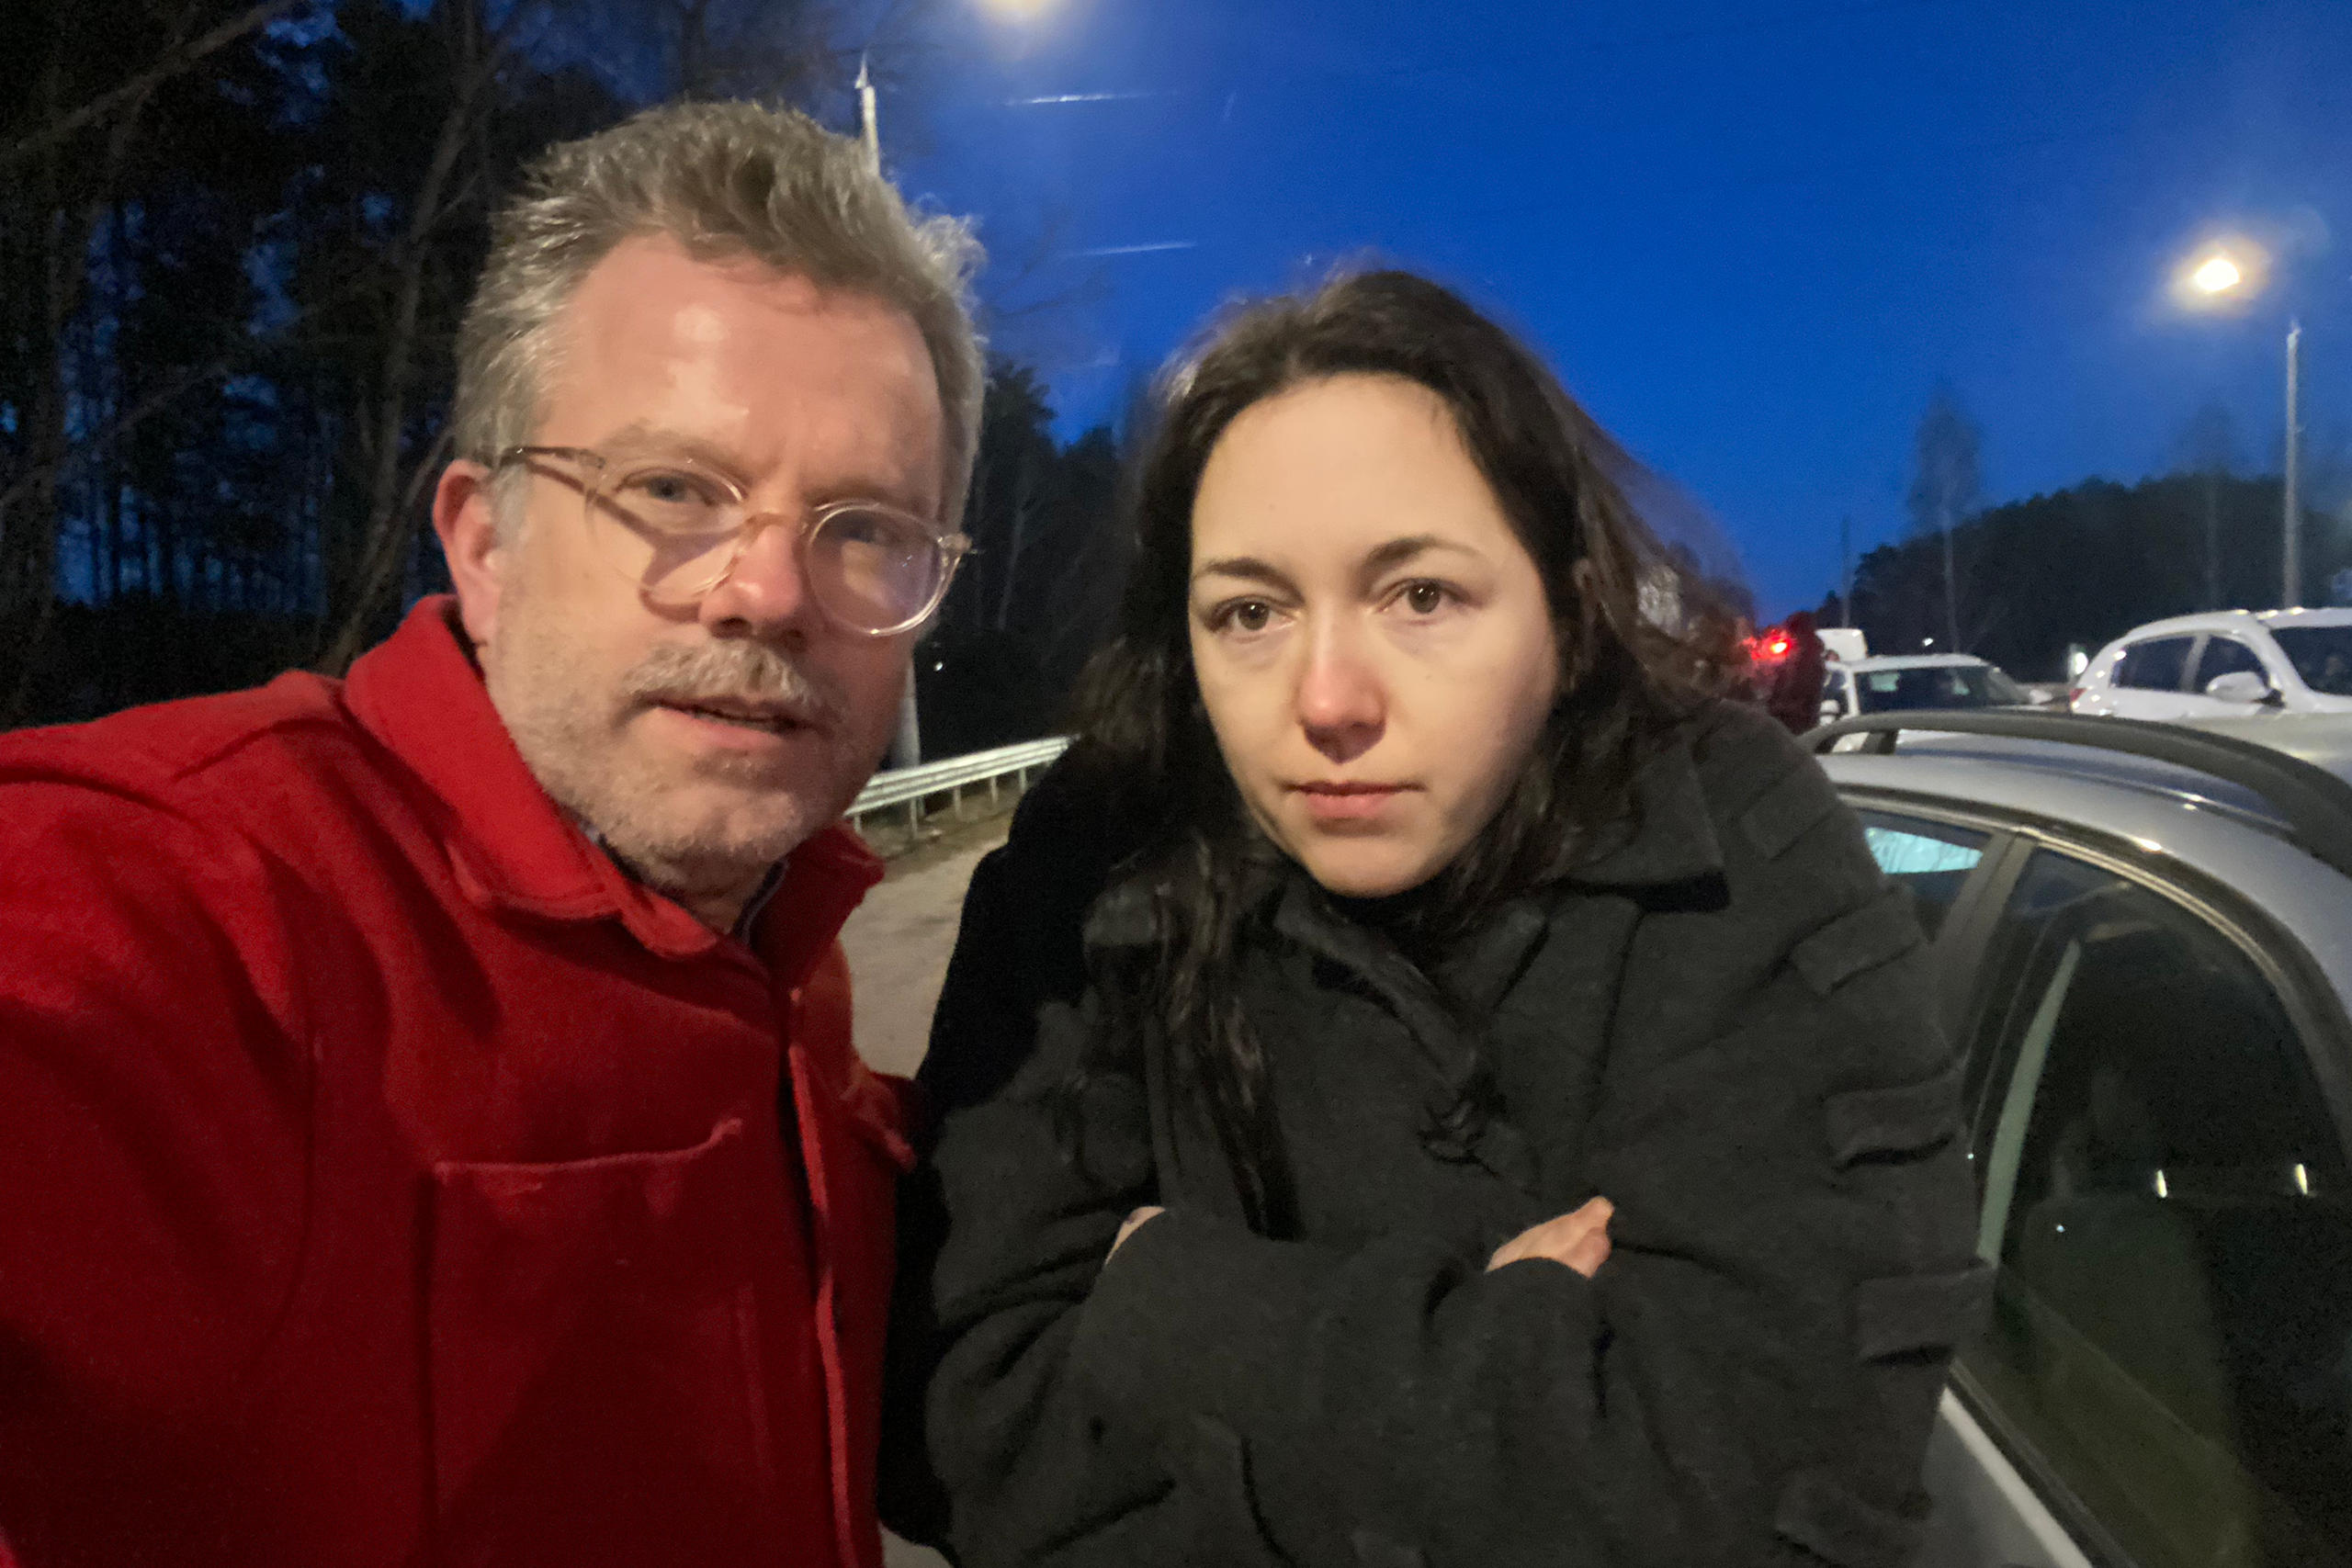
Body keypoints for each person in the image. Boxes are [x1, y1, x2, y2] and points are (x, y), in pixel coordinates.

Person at [0, 102, 980, 1568]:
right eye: (670, 491)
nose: (768, 593)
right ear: (482, 538)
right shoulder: (210, 902)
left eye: (862, 528)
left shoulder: (783, 930)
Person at [901, 272, 1983, 1568]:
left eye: (1420, 596)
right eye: (1249, 612)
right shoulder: (1096, 862)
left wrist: (1170, 1298)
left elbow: (1756, 1497)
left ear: (1568, 616)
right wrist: (1507, 1345)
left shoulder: (1735, 843)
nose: (1331, 699)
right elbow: (962, 1428)